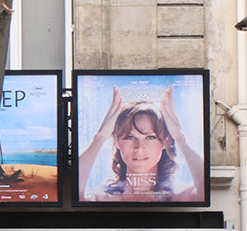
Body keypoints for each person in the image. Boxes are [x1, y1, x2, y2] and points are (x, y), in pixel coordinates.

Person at [77, 85, 205, 202]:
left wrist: (180, 136)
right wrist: (100, 137)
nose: (139, 148)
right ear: (117, 141)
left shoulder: (177, 195)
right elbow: (75, 192)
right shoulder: (102, 198)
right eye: (130, 137)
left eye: (150, 137)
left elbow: (204, 190)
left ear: (165, 141)